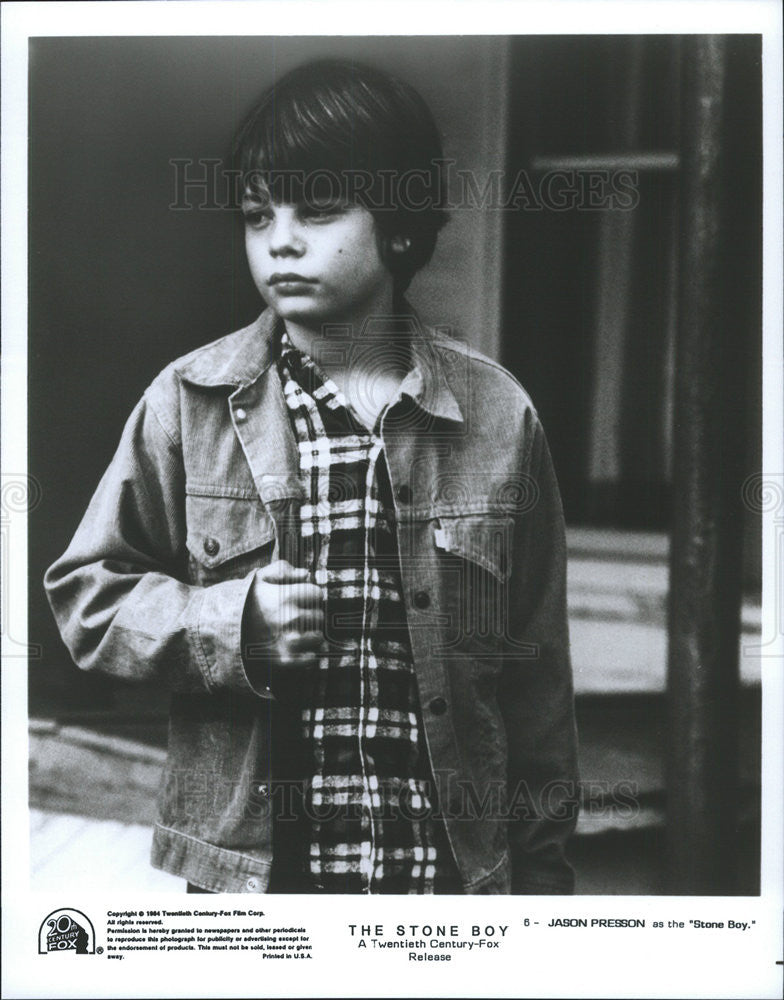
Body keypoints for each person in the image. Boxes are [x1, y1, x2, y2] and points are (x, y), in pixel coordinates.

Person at [45, 58, 579, 895]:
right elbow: (86, 594)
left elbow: (538, 681)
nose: (281, 239)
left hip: (438, 885)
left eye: (319, 208)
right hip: (258, 891)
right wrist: (232, 622)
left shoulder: (500, 416)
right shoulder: (188, 403)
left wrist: (542, 888)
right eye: (259, 215)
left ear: (400, 224)